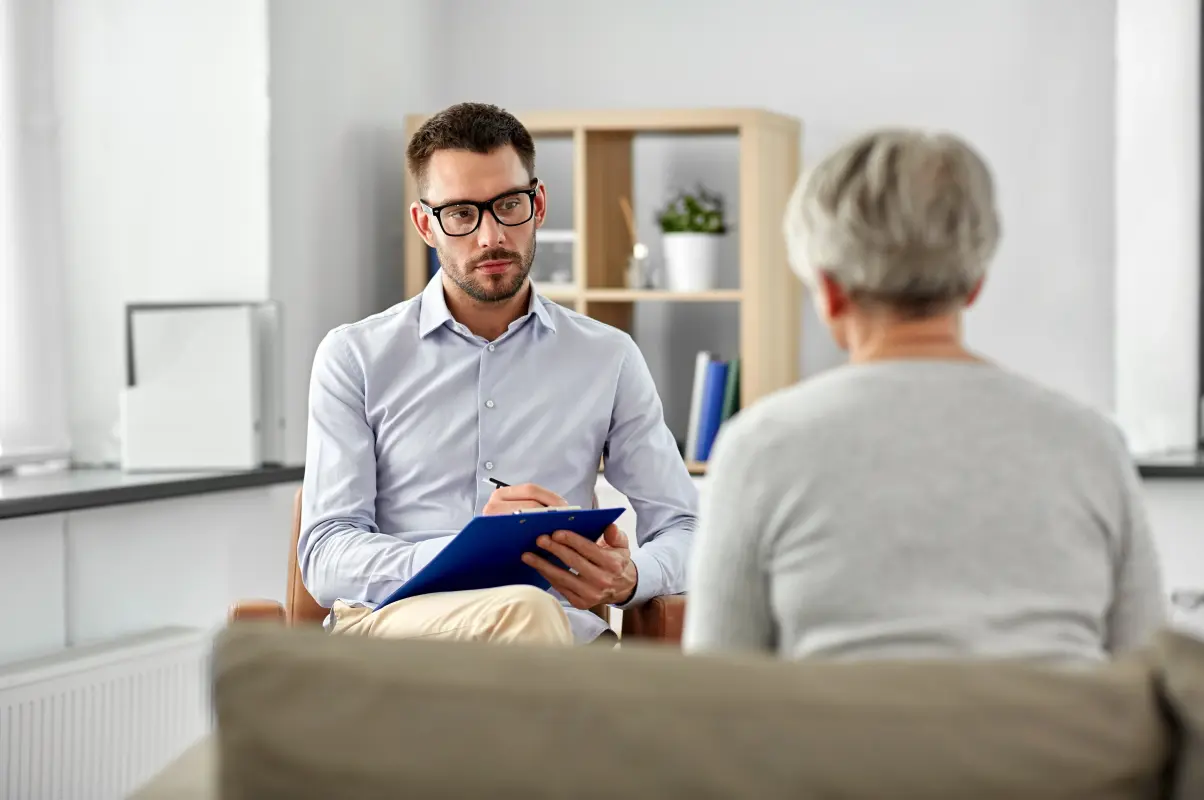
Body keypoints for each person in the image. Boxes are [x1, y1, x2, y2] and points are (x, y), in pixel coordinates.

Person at [682, 128, 1165, 663]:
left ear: (831, 290)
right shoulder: (1091, 443)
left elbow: (720, 696)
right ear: (975, 282)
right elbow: (1149, 677)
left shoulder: (760, 447)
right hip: (1059, 747)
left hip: (843, 748)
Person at [298, 102, 697, 647]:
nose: (490, 237)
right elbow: (324, 555)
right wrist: (475, 549)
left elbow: (686, 528)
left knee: (533, 617)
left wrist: (630, 578)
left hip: (560, 641)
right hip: (397, 639)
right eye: (461, 213)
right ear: (425, 223)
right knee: (525, 612)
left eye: (508, 205)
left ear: (538, 205)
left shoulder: (609, 357)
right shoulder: (354, 356)